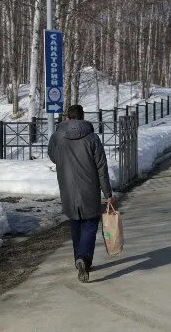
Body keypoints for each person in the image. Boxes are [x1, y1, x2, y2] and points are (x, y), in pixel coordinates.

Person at [48, 104, 112, 283]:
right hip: (89, 187)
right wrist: (107, 192)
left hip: (67, 187)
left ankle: (79, 258)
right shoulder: (92, 138)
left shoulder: (57, 136)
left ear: (67, 118)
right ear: (83, 118)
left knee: (75, 222)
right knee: (90, 223)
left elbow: (53, 156)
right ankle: (84, 257)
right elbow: (101, 167)